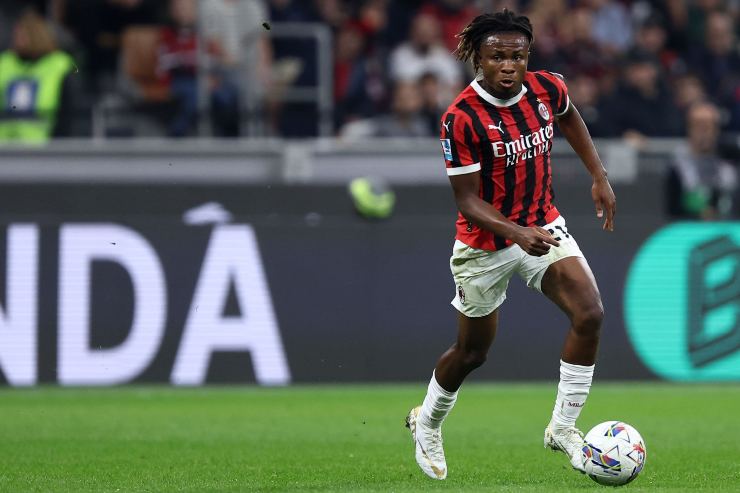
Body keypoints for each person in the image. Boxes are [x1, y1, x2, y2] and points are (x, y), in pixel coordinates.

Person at [404, 10, 616, 480]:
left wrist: (598, 175)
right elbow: (467, 201)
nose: (507, 65)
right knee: (473, 352)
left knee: (591, 313)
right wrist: (517, 234)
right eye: (496, 56)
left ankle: (563, 428)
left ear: (527, 58)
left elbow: (570, 117)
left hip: (543, 224)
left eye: (516, 56)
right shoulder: (460, 118)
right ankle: (427, 422)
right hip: (486, 244)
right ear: (477, 59)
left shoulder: (547, 88)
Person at [0, 9, 78, 143]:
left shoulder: (60, 64)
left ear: (36, 35)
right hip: (5, 146)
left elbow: (68, 111)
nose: (17, 39)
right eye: (17, 34)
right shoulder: (4, 62)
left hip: (43, 146)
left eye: (22, 34)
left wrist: (59, 145)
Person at [665, 102, 738, 220]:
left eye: (709, 126)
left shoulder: (731, 164)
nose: (704, 132)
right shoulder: (677, 168)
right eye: (698, 126)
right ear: (689, 128)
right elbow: (671, 212)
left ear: (717, 130)